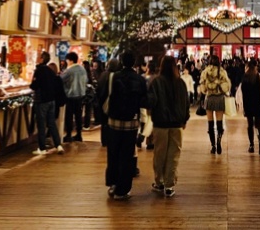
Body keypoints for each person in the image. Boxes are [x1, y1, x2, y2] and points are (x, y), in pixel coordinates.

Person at [99, 51, 148, 200]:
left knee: (113, 153)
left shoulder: (114, 77)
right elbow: (144, 102)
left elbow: (105, 96)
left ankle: (112, 183)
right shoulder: (140, 79)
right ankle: (123, 189)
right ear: (134, 63)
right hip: (131, 123)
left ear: (121, 61)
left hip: (114, 122)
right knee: (127, 155)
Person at [148, 55, 190, 198]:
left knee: (159, 153)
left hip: (160, 124)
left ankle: (159, 181)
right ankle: (169, 185)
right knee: (174, 155)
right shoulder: (181, 83)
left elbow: (151, 102)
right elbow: (186, 103)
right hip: (177, 124)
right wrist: (185, 119)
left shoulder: (156, 82)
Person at [29, 52, 64, 156]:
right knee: (51, 123)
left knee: (41, 124)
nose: (36, 58)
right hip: (52, 100)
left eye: (38, 56)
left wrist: (32, 85)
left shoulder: (39, 70)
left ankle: (42, 148)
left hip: (42, 100)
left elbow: (35, 85)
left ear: (41, 59)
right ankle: (58, 145)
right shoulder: (50, 71)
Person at [235, 58, 260, 155]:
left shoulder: (245, 77)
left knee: (250, 125)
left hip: (248, 105)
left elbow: (239, 92)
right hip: (259, 104)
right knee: (258, 125)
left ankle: (251, 145)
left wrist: (240, 104)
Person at [198, 54, 231, 154]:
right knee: (219, 123)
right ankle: (219, 142)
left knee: (210, 123)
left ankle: (213, 146)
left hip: (209, 99)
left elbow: (203, 89)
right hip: (219, 98)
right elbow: (226, 87)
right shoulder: (222, 72)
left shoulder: (205, 72)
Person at [61, 51, 88, 143]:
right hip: (81, 95)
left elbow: (60, 79)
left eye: (67, 60)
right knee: (78, 116)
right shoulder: (82, 69)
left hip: (71, 96)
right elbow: (86, 81)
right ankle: (79, 134)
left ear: (71, 61)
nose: (66, 62)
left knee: (69, 116)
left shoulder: (69, 70)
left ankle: (68, 134)